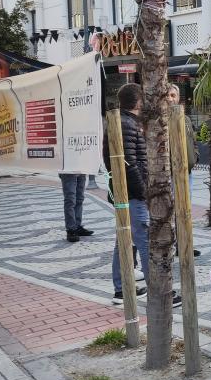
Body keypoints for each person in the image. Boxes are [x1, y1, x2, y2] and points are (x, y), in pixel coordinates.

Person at [103, 84, 170, 304]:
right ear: (138, 101)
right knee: (145, 240)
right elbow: (129, 163)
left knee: (124, 239)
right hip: (132, 193)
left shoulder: (127, 122)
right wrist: (143, 191)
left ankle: (122, 289)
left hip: (128, 192)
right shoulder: (126, 124)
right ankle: (159, 291)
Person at [167, 85, 201, 257]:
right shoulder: (160, 120)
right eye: (168, 95)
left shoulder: (186, 119)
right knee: (172, 211)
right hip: (170, 174)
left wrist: (195, 155)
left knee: (186, 209)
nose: (170, 98)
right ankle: (173, 246)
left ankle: (184, 245)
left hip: (188, 172)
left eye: (173, 95)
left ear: (178, 97)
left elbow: (192, 140)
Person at [59, 171, 92, 243]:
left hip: (81, 169)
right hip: (68, 170)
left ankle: (77, 226)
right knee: (70, 200)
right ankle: (71, 230)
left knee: (80, 199)